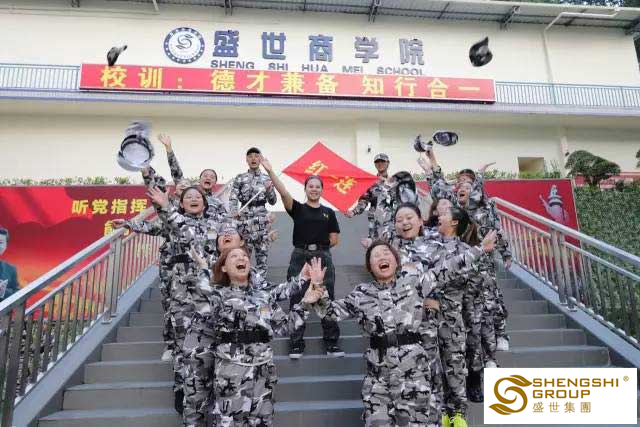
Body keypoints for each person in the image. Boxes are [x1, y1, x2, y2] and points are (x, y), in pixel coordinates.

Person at [305, 238, 492, 427]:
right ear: (370, 267)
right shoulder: (362, 293)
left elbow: (448, 268)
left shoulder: (415, 282)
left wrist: (479, 249)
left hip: (413, 375)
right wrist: (318, 290)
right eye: (375, 256)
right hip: (379, 378)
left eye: (386, 253)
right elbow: (331, 312)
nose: (382, 257)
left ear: (396, 261)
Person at [182, 247, 321, 426]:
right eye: (234, 256)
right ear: (224, 267)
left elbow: (285, 327)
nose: (242, 258)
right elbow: (201, 294)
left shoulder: (263, 296)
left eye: (244, 256)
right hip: (232, 370)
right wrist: (203, 268)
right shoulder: (217, 294)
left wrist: (305, 303)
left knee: (263, 421)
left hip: (263, 372)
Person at [391, 203, 497, 427]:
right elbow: (419, 278)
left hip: (451, 316)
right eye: (400, 220)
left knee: (454, 363)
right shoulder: (409, 248)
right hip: (421, 319)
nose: (405, 223)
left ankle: (457, 413)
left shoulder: (451, 247)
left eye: (409, 217)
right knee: (431, 367)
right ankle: (438, 414)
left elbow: (464, 277)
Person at [147, 185, 221, 414]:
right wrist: (130, 224)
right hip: (181, 293)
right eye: (189, 197)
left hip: (208, 291)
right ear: (181, 203)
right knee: (182, 342)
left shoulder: (216, 225)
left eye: (198, 196)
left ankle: (209, 387)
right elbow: (158, 225)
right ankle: (181, 386)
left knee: (210, 340)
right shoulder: (173, 221)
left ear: (205, 203)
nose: (194, 199)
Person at [260, 157, 343, 359]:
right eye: (310, 186)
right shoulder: (298, 209)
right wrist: (270, 171)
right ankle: (296, 344)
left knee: (327, 298)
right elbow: (283, 192)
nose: (314, 189)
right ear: (305, 189)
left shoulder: (328, 213)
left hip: (323, 257)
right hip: (300, 256)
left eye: (317, 186)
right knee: (296, 297)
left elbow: (335, 239)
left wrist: (319, 248)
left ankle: (332, 343)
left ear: (322, 190)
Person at [228, 147, 277, 277]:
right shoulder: (240, 178)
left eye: (256, 156)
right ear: (246, 159)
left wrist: (269, 189)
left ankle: (261, 283)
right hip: (245, 220)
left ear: (260, 159)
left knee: (262, 256)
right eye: (250, 156)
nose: (253, 159)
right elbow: (233, 197)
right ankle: (245, 282)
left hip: (262, 220)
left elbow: (273, 201)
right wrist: (234, 212)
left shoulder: (267, 178)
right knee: (244, 255)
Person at [346, 153, 390, 239]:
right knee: (375, 244)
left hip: (391, 221)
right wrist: (353, 212)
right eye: (377, 162)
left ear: (388, 163)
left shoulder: (395, 182)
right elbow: (364, 201)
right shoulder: (371, 183)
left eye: (382, 161)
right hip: (375, 222)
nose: (380, 164)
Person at [0, 227, 19, 301]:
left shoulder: (11, 269)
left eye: (0, 242)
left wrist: (3, 292)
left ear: (5, 246)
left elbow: (18, 294)